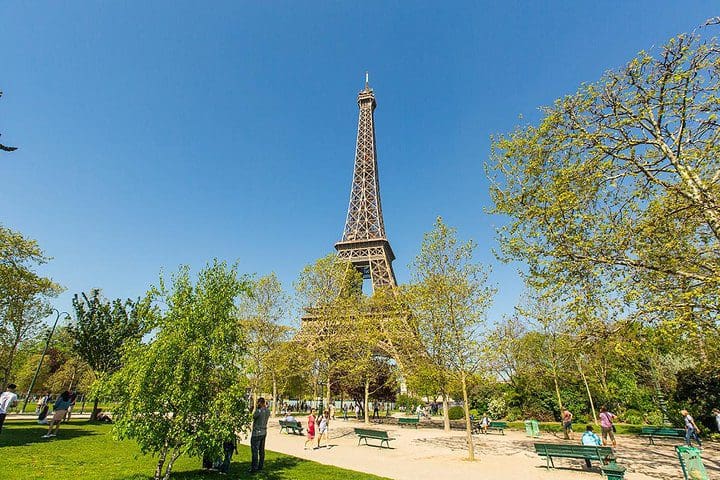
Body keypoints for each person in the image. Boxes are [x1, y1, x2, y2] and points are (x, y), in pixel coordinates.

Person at [249, 397, 270, 473]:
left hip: (257, 433)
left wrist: (251, 411)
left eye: (258, 403)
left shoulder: (258, 411)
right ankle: (260, 466)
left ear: (260, 403)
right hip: (264, 432)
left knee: (255, 451)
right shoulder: (268, 411)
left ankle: (254, 467)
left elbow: (252, 417)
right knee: (261, 451)